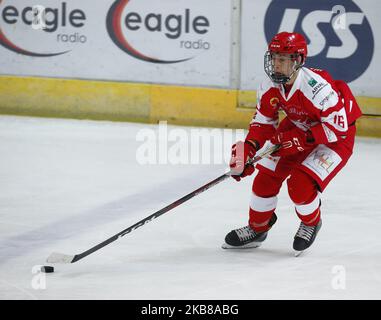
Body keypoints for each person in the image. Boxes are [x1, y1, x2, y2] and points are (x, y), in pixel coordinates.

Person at [223, 32, 362, 254]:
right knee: (264, 180)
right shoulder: (269, 86)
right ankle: (258, 228)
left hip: (334, 138)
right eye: (274, 58)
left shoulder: (317, 88)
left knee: (300, 185)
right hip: (297, 128)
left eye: (283, 59)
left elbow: (338, 128)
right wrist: (248, 148)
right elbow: (263, 122)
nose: (276, 65)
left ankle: (311, 222)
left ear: (297, 61)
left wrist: (302, 140)